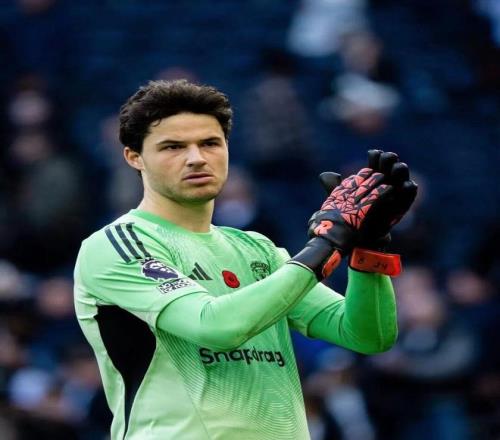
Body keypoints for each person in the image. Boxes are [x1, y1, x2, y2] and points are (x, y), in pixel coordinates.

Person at [73, 79, 417, 440]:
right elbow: (214, 328)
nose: (196, 158)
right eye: (173, 146)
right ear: (134, 157)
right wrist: (327, 242)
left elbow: (367, 335)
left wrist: (369, 248)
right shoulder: (118, 244)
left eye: (210, 143)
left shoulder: (258, 249)